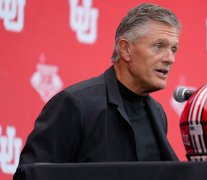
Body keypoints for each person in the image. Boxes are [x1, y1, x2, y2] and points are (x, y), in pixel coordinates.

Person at [16, 3, 181, 165]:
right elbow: (33, 174)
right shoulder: (74, 105)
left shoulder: (157, 113)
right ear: (125, 50)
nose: (170, 58)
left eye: (173, 49)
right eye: (158, 46)